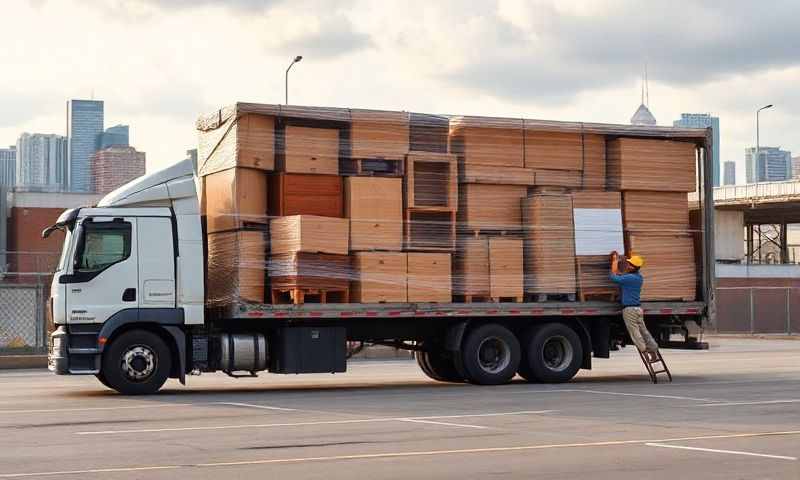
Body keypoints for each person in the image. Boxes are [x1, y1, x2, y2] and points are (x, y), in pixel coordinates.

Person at [609, 251, 659, 362]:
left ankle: (644, 352)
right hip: (638, 309)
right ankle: (653, 352)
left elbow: (613, 277)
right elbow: (622, 276)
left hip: (630, 310)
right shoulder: (638, 278)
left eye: (629, 264)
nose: (627, 265)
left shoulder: (629, 278)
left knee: (634, 332)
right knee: (644, 332)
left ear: (633, 267)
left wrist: (614, 261)